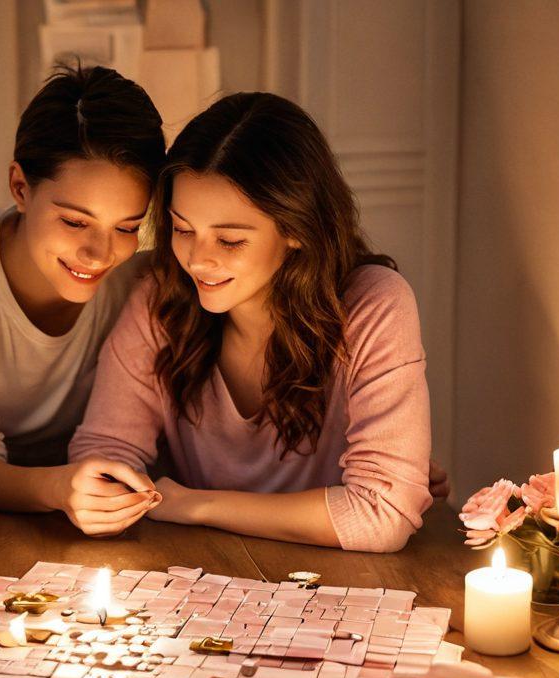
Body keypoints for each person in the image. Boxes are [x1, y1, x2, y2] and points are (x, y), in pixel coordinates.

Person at [70, 92, 435, 552]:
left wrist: (194, 505)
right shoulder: (162, 298)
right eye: (183, 229)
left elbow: (382, 515)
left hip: (337, 578)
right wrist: (101, 491)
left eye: (229, 240)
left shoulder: (374, 305)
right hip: (200, 567)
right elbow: (105, 452)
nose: (197, 259)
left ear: (297, 228)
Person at [0, 65, 166, 538]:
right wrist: (60, 488)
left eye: (126, 228)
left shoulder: (140, 279)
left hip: (78, 518)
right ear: (20, 187)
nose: (99, 254)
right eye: (75, 222)